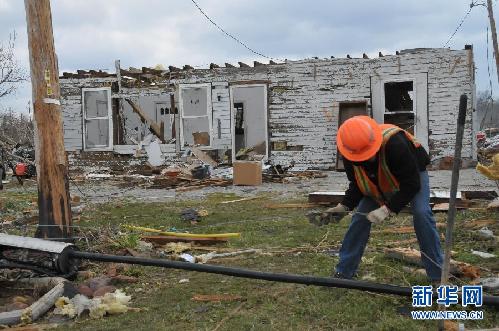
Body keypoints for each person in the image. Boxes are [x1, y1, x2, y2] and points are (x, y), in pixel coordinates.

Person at [325, 115, 443, 283]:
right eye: (359, 159)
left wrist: (387, 209)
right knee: (359, 217)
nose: (363, 161)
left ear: (373, 145)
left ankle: (437, 275)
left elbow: (411, 185)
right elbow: (358, 184)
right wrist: (344, 206)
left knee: (421, 213)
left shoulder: (396, 145)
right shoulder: (349, 152)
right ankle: (344, 272)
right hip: (380, 176)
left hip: (412, 175)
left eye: (366, 156)